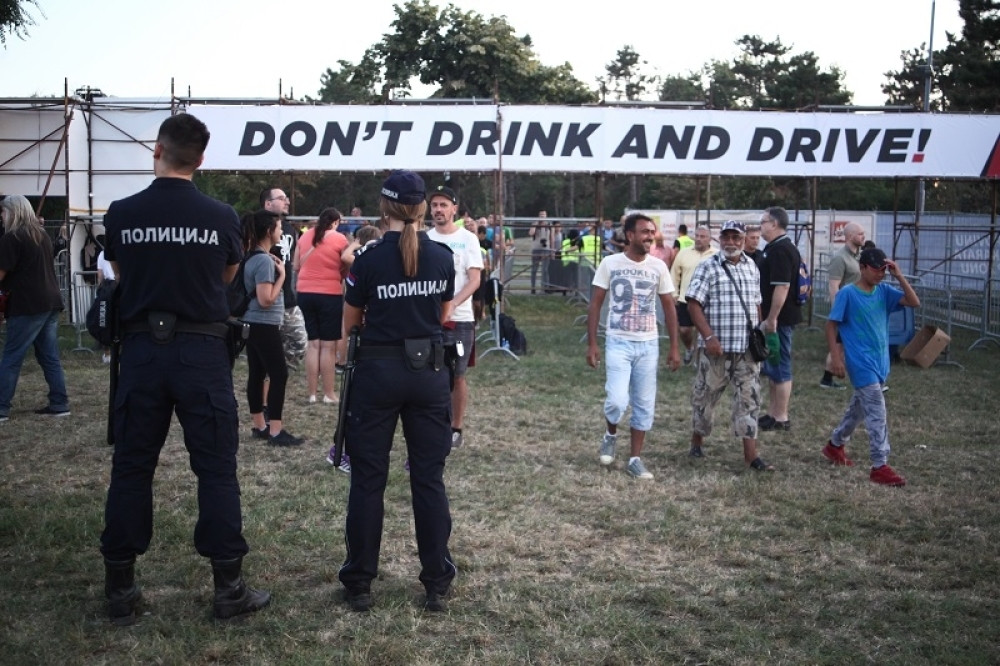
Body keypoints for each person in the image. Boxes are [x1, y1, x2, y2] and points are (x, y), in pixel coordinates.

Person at [99, 113, 269, 624]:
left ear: (158, 150)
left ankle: (120, 589)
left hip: (142, 352)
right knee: (216, 468)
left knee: (132, 466)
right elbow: (226, 278)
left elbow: (123, 274)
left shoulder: (122, 213)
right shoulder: (221, 216)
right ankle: (228, 587)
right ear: (201, 159)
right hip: (202, 351)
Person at [338, 169, 457, 613]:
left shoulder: (367, 259)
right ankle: (436, 581)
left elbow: (350, 322)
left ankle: (360, 582)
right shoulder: (441, 256)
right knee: (428, 479)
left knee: (368, 480)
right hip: (428, 373)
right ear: (423, 208)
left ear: (383, 207)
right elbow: (443, 314)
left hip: (378, 372)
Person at [586, 213, 681, 480]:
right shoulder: (610, 263)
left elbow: (669, 307)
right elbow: (595, 303)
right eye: (644, 232)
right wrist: (592, 343)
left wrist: (674, 347)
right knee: (617, 400)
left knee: (644, 404)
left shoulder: (658, 266)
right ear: (630, 235)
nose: (650, 236)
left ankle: (635, 459)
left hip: (648, 344)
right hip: (618, 341)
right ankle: (610, 434)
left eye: (652, 232)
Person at [822, 248, 919, 486]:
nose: (881, 274)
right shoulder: (847, 294)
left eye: (884, 270)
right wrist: (836, 358)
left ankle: (835, 445)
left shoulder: (884, 291)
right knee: (877, 411)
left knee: (859, 409)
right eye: (876, 270)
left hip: (880, 362)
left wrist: (899, 276)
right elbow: (831, 325)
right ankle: (880, 465)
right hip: (860, 363)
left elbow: (914, 302)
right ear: (862, 268)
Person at [685, 221, 774, 471]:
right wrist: (709, 337)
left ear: (744, 240)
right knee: (705, 398)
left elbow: (756, 303)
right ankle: (697, 442)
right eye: (726, 237)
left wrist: (759, 333)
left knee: (749, 400)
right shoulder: (707, 267)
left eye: (736, 237)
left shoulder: (752, 267)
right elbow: (693, 304)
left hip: (746, 350)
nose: (731, 242)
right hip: (716, 349)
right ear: (719, 239)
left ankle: (751, 457)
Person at [0, 194, 70, 422]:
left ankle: (1, 407)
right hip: (50, 301)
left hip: (27, 304)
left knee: (12, 356)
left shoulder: (12, 238)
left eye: (3, 212)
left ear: (12, 212)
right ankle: (59, 403)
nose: (2, 217)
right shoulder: (42, 235)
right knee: (49, 356)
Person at [426, 185, 483, 449]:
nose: (438, 209)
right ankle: (433, 424)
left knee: (457, 375)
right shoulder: (424, 238)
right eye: (434, 205)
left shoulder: (468, 239)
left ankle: (456, 428)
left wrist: (452, 305)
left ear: (454, 209)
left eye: (443, 205)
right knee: (431, 373)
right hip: (429, 319)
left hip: (460, 319)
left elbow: (474, 280)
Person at [242, 209, 305, 447]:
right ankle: (276, 431)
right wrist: (281, 277)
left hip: (255, 323)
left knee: (257, 373)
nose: (282, 231)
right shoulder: (263, 261)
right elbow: (265, 299)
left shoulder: (254, 256)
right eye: (279, 228)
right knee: (279, 374)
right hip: (263, 324)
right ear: (269, 231)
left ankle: (260, 426)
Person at [294, 207, 349, 405]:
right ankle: (328, 393)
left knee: (312, 344)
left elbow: (296, 266)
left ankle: (311, 393)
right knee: (328, 346)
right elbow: (346, 264)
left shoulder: (304, 236)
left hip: (304, 292)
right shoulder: (340, 239)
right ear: (335, 222)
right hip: (329, 294)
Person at [757, 206, 801, 432]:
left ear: (774, 223)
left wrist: (772, 318)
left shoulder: (781, 250)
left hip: (780, 319)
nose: (760, 226)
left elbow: (782, 287)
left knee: (781, 364)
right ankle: (773, 413)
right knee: (773, 364)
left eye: (763, 222)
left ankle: (782, 417)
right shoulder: (774, 247)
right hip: (774, 318)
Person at [260, 187, 307, 367]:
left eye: (286, 198)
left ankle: (280, 372)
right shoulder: (258, 227)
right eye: (281, 198)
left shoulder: (288, 228)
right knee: (266, 349)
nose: (287, 201)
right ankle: (270, 375)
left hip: (287, 297)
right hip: (265, 296)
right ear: (268, 203)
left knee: (299, 343)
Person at [819, 222, 865, 390]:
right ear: (850, 236)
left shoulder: (860, 257)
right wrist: (837, 312)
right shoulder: (840, 258)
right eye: (860, 234)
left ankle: (827, 378)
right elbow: (834, 287)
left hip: (859, 307)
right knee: (842, 344)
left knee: (842, 344)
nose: (863, 237)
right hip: (846, 309)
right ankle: (867, 380)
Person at [670, 225, 717, 365]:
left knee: (705, 331)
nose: (699, 239)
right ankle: (689, 348)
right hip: (686, 299)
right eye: (697, 236)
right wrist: (674, 294)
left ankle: (701, 358)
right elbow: (674, 274)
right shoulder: (683, 253)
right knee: (684, 330)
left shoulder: (717, 255)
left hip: (709, 301)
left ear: (709, 239)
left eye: (702, 236)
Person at [95, 237, 117, 363]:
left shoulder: (102, 254)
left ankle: (107, 353)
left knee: (105, 320)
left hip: (107, 287)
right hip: (118, 285)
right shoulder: (120, 250)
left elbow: (100, 275)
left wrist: (100, 289)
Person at [528, 210, 552, 294]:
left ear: (546, 216)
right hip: (536, 248)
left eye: (544, 215)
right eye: (541, 215)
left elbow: (551, 237)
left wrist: (552, 250)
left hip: (546, 249)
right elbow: (531, 233)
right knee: (534, 269)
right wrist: (535, 225)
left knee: (545, 270)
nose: (542, 216)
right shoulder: (535, 224)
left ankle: (546, 287)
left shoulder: (549, 225)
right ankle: (533, 287)